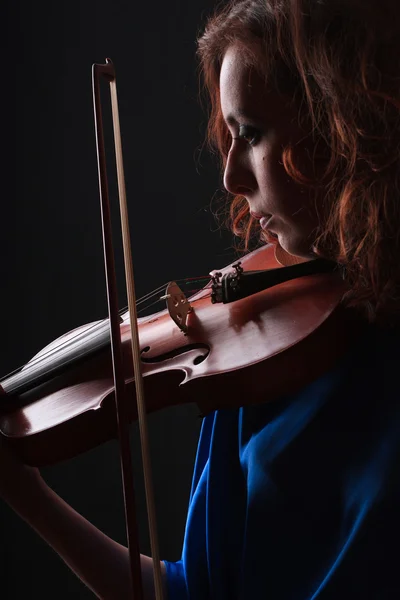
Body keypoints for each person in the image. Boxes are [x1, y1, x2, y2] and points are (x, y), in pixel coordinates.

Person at [2, 0, 400, 597]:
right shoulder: (260, 349)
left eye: (252, 133)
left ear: (347, 131)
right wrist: (29, 498)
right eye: (230, 134)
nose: (232, 177)